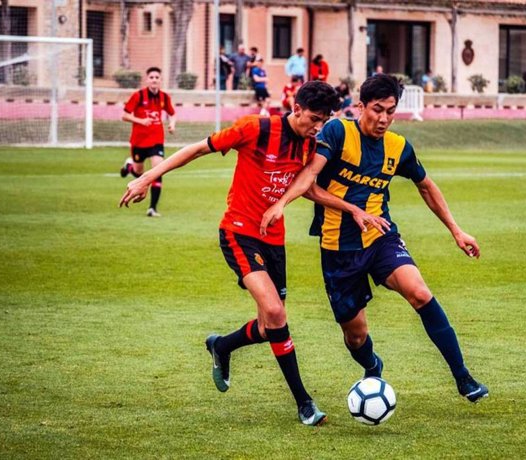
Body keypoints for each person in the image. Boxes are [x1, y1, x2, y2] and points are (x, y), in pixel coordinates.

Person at [119, 81, 382, 425]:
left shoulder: (309, 145)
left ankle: (223, 345)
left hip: (274, 241)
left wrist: (352, 209)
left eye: (324, 119)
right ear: (296, 107)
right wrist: (146, 177)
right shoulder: (256, 128)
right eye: (315, 118)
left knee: (268, 324)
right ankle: (304, 402)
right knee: (276, 313)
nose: (319, 126)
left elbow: (309, 188)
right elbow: (198, 149)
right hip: (239, 233)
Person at [260, 74, 489, 404]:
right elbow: (309, 181)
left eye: (391, 112)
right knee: (356, 336)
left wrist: (456, 230)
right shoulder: (338, 132)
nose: (383, 119)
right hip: (338, 249)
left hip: (381, 238)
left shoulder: (398, 146)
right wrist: (291, 203)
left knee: (420, 293)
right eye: (377, 109)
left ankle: (464, 378)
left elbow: (426, 186)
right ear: (360, 106)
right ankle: (372, 365)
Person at [119, 66, 176, 217]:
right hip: (139, 141)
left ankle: (152, 208)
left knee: (158, 171)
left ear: (160, 80)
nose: (154, 80)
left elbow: (172, 114)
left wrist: (172, 124)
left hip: (157, 140)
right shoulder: (138, 96)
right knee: (139, 173)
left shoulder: (164, 97)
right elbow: (124, 115)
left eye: (157, 77)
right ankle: (129, 167)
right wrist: (140, 121)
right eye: (151, 77)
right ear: (147, 80)